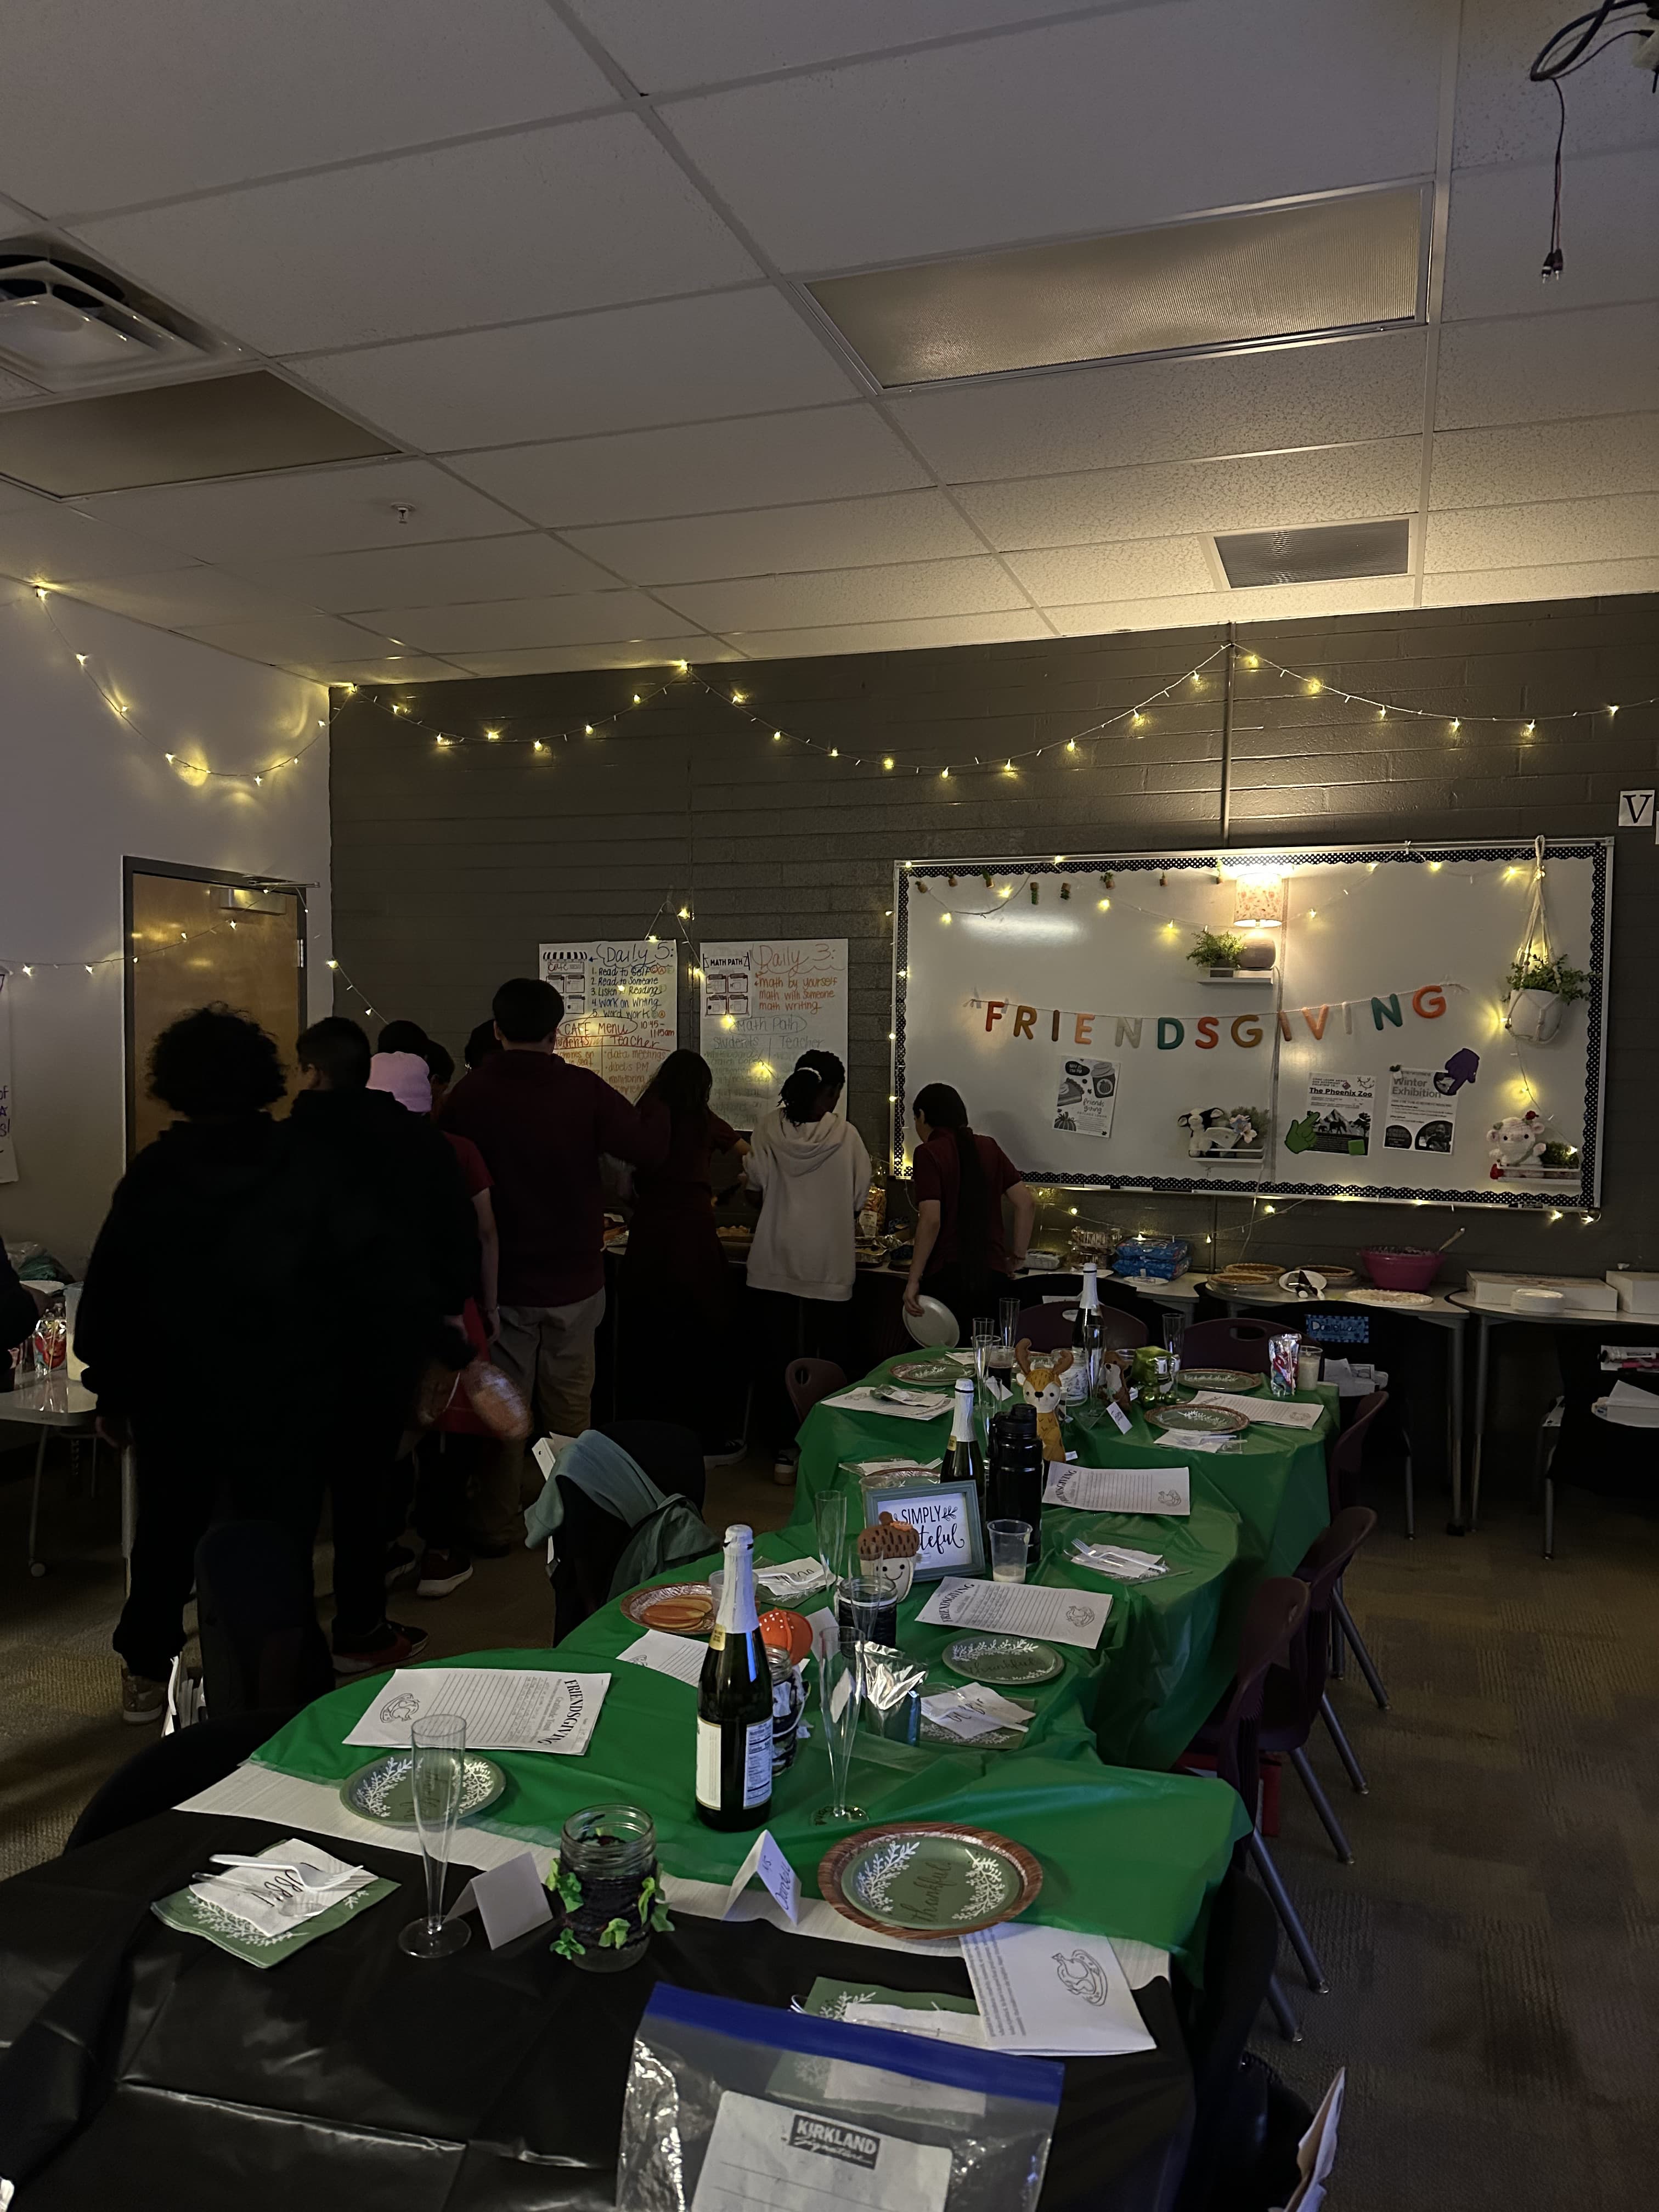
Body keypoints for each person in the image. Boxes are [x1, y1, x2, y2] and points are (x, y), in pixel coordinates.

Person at [76, 1007, 335, 1722]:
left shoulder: (154, 1177)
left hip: (175, 1398)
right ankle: (285, 1682)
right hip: (287, 1395)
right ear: (264, 1079)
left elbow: (110, 1299)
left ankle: (146, 1668)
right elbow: (347, 1283)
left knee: (165, 1534)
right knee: (282, 1540)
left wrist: (113, 1395)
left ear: (174, 1083)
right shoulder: (304, 1165)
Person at [440, 976, 668, 1543]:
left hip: (503, 1282)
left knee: (506, 1409)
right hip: (576, 1277)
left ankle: (496, 1523)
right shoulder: (584, 1090)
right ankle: (570, 1520)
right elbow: (647, 1148)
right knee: (570, 1408)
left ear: (497, 1029)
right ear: (556, 1031)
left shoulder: (467, 1096)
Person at [289, 1017, 480, 1669]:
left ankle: (283, 1636)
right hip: (388, 1338)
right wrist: (451, 1318)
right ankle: (361, 1628)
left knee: (292, 1494)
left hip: (296, 1344)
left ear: (313, 1071)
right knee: (366, 1488)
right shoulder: (418, 1142)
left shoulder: (285, 1145)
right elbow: (456, 1238)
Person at [367, 1045, 498, 1595]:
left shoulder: (350, 1156)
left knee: (387, 1439)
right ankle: (442, 1549)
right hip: (446, 1313)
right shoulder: (454, 1151)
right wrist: (488, 1306)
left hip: (376, 1321)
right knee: (449, 1435)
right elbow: (484, 1233)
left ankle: (385, 1547)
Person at [744, 1052, 871, 1481]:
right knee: (828, 1359)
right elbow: (858, 1200)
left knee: (777, 1357)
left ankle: (782, 1452)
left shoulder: (766, 1128)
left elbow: (756, 1187)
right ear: (833, 1091)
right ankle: (824, 1449)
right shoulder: (848, 1137)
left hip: (773, 1260)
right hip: (829, 1264)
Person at [618, 1050, 746, 1446]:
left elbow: (625, 1181)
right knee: (701, 1327)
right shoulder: (705, 1121)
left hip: (651, 1233)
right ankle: (701, 1428)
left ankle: (644, 1424)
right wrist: (736, 1187)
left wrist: (638, 1206)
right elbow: (752, 1156)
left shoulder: (647, 1112)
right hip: (695, 1234)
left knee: (648, 1328)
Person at [903, 1082, 1034, 1335]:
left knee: (946, 1365)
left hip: (947, 1281)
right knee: (988, 1364)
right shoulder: (989, 1147)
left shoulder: (928, 1153)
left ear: (922, 1116)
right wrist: (1017, 1257)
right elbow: (1026, 1203)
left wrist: (913, 1280)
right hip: (993, 1279)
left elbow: (931, 1221)